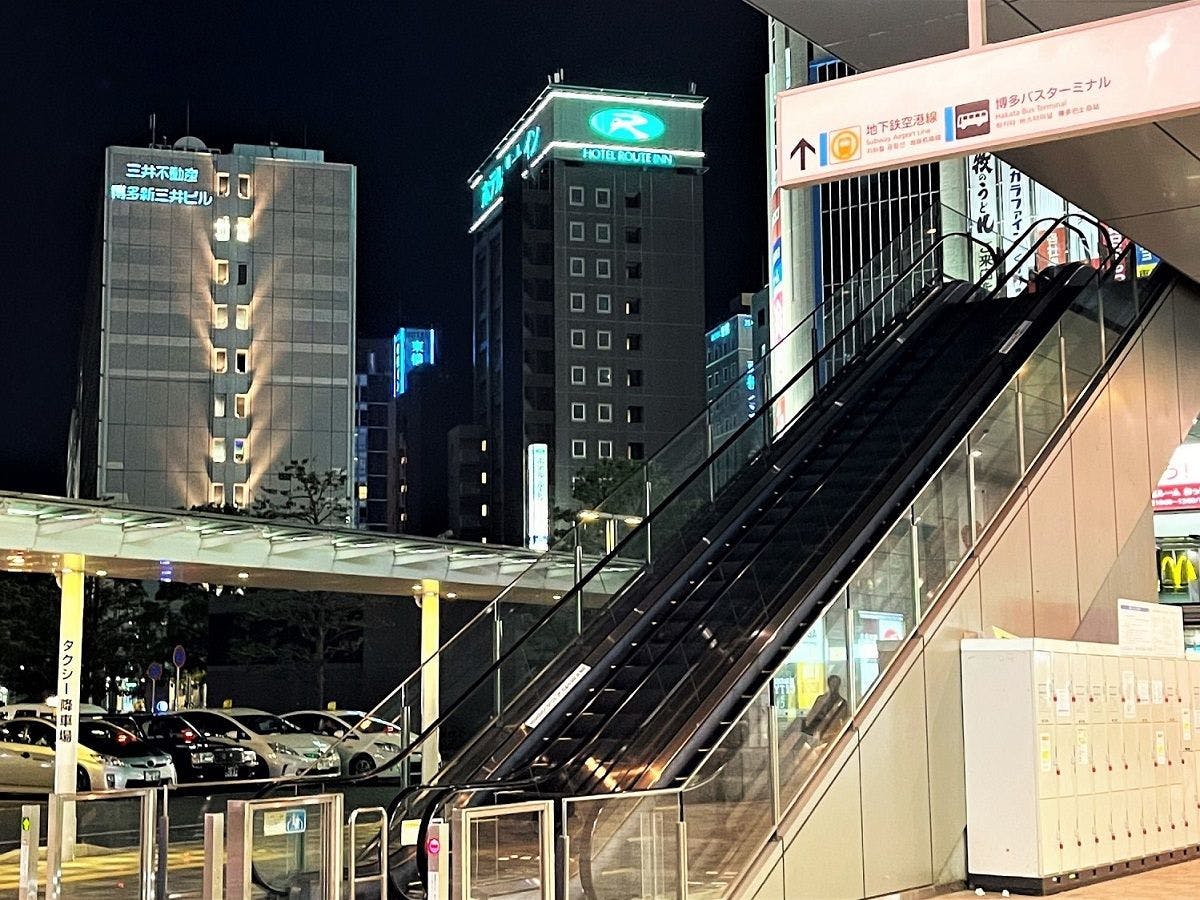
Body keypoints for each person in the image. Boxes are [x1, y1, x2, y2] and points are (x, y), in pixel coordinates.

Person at [800, 674, 848, 748]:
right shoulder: (821, 700)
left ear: (839, 685)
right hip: (818, 735)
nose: (834, 687)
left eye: (836, 684)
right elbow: (811, 716)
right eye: (832, 684)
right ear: (829, 685)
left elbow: (844, 720)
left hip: (833, 735)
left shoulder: (842, 703)